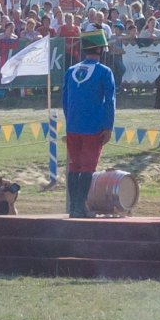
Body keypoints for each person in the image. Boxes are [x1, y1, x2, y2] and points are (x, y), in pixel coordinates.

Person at [58, 34, 118, 218]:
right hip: (93, 127)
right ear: (100, 50)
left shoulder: (71, 70)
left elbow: (64, 99)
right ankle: (79, 207)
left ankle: (75, 207)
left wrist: (70, 121)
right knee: (87, 168)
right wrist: (108, 126)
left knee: (74, 166)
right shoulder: (104, 71)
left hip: (73, 125)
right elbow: (110, 101)